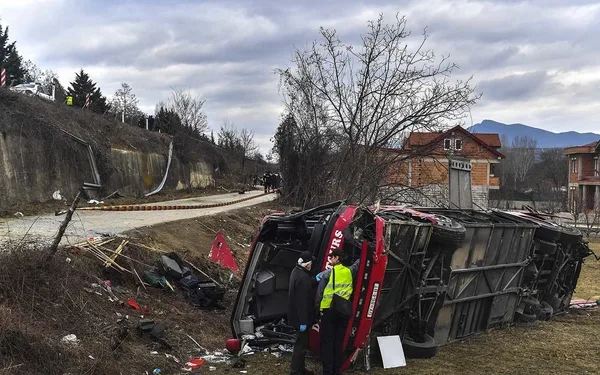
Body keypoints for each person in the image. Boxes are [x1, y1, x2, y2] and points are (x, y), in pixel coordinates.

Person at [315, 250, 360, 375]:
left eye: (332, 257)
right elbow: (358, 264)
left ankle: (327, 371)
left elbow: (319, 295)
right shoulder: (349, 272)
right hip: (343, 312)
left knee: (327, 343)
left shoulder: (327, 273)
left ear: (337, 258)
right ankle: (336, 370)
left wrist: (317, 310)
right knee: (338, 342)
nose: (330, 259)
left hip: (329, 312)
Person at [288, 250, 317, 375]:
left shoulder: (297, 271)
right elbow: (302, 303)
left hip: (295, 316)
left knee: (302, 345)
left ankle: (301, 369)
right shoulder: (303, 278)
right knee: (300, 346)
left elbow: (304, 285)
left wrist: (314, 279)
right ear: (307, 264)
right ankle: (295, 371)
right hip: (301, 319)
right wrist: (304, 322)